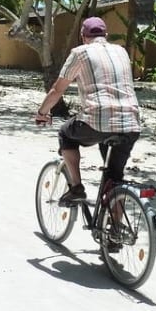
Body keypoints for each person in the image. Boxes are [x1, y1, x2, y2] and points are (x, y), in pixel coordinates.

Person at [34, 16, 141, 206]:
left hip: (98, 121)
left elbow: (58, 90)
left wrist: (42, 113)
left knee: (65, 134)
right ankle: (116, 229)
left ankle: (76, 188)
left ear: (83, 36)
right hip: (131, 123)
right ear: (106, 35)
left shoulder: (80, 53)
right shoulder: (121, 51)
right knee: (114, 179)